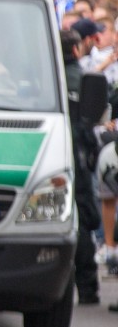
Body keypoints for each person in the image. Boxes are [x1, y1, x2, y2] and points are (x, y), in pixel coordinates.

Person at [63, 28, 101, 305]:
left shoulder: (47, 77)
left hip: (54, 152)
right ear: (76, 50)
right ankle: (87, 288)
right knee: (84, 220)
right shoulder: (82, 78)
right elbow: (90, 121)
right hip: (76, 156)